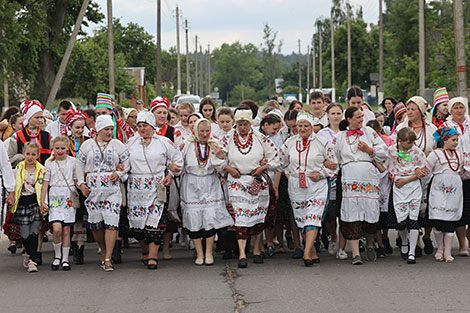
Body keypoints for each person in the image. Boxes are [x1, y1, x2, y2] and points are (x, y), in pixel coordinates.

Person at [214, 108, 280, 268]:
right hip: (237, 181)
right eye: (240, 124)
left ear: (250, 123)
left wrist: (263, 168)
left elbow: (276, 157)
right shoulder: (228, 138)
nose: (242, 127)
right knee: (241, 217)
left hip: (256, 180)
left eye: (245, 124)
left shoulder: (260, 138)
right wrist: (228, 168)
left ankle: (257, 249)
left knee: (257, 216)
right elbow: (215, 157)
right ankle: (242, 253)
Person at [126, 112, 183, 270]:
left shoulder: (164, 142)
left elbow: (178, 160)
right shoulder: (131, 143)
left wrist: (171, 173)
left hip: (157, 186)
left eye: (145, 126)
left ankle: (152, 256)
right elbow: (124, 162)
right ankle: (144, 250)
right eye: (139, 126)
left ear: (152, 126)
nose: (142, 129)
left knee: (156, 222)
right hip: (136, 188)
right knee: (138, 226)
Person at [280, 112, 337, 266]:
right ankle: (311, 252)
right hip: (297, 184)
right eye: (300, 125)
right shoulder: (290, 143)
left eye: (306, 125)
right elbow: (281, 161)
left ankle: (306, 253)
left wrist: (322, 173)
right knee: (302, 218)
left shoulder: (322, 142)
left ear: (312, 127)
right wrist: (288, 173)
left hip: (316, 184)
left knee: (313, 216)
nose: (303, 128)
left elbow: (334, 165)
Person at [76, 115, 130, 272]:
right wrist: (81, 183)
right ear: (99, 129)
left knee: (112, 221)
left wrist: (119, 174)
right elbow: (79, 165)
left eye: (112, 129)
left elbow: (127, 163)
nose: (109, 132)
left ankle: (107, 259)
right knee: (96, 224)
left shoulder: (117, 144)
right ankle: (104, 250)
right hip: (94, 189)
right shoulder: (88, 145)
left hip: (112, 189)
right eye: (106, 129)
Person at [334, 107, 387, 265]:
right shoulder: (340, 136)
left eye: (362, 117)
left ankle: (370, 244)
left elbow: (383, 150)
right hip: (350, 177)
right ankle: (356, 253)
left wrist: (369, 150)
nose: (361, 120)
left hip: (368, 177)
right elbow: (335, 156)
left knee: (369, 211)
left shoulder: (370, 132)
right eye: (358, 117)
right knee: (352, 212)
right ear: (349, 119)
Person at [180, 118, 233, 265]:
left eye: (207, 131)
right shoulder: (187, 144)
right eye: (201, 131)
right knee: (194, 217)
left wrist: (221, 155)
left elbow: (224, 162)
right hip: (191, 183)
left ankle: (209, 252)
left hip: (210, 182)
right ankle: (199, 253)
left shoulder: (215, 143)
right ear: (196, 131)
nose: (204, 134)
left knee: (210, 216)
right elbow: (179, 162)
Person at [392, 96, 437, 255]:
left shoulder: (431, 129)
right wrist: (412, 163)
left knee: (426, 207)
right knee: (409, 210)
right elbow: (395, 152)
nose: (409, 112)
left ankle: (427, 235)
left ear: (421, 111)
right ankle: (413, 243)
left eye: (412, 109)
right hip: (408, 176)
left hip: (426, 172)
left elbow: (437, 148)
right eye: (408, 109)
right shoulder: (401, 128)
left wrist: (423, 164)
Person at [384, 127, 426, 264]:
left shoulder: (417, 152)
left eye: (413, 142)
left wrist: (407, 179)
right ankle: (404, 242)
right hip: (398, 186)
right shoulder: (391, 151)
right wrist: (395, 178)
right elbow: (389, 167)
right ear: (400, 141)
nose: (411, 146)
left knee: (413, 219)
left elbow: (420, 171)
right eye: (408, 143)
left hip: (412, 185)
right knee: (401, 219)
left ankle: (412, 252)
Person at [40, 136, 78, 271]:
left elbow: (76, 179)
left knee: (66, 229)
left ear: (68, 148)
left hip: (68, 195)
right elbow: (45, 183)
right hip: (55, 195)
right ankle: (57, 256)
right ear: (53, 149)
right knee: (56, 228)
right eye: (57, 148)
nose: (60, 151)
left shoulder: (73, 162)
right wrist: (43, 201)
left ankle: (65, 259)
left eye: (63, 148)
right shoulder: (49, 162)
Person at [427, 127, 463, 263]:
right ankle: (440, 249)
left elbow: (462, 170)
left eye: (457, 140)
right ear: (444, 140)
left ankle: (447, 251)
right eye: (453, 140)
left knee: (450, 220)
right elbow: (427, 170)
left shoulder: (459, 155)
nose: (455, 143)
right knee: (438, 219)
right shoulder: (435, 154)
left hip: (454, 189)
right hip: (439, 189)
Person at [11, 142, 46, 272]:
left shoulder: (41, 169)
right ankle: (28, 254)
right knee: (25, 233)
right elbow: (13, 186)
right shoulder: (18, 169)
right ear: (23, 154)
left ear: (37, 155)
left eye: (33, 154)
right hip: (22, 203)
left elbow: (43, 188)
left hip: (35, 202)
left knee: (35, 232)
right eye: (28, 154)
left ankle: (32, 259)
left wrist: (43, 202)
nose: (30, 157)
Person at [442, 97, 470, 256]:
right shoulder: (446, 126)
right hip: (455, 171)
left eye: (461, 107)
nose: (459, 110)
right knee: (459, 210)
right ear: (451, 110)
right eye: (455, 107)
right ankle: (462, 245)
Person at [318, 103, 346, 258]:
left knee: (343, 211)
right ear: (327, 115)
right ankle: (332, 237)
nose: (336, 116)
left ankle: (342, 245)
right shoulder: (322, 134)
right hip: (328, 177)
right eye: (333, 113)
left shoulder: (347, 132)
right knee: (330, 212)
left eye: (338, 113)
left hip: (345, 176)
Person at [65, 108, 89, 264]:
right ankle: (71, 244)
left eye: (82, 127)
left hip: (83, 184)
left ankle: (80, 247)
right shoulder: (63, 142)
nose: (80, 130)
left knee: (81, 216)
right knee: (69, 216)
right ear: (70, 127)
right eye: (77, 127)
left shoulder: (88, 141)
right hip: (67, 184)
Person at [9, 100, 52, 165]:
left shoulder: (48, 136)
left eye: (41, 117)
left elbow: (53, 156)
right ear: (29, 118)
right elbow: (10, 158)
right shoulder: (16, 136)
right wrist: (24, 157)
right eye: (37, 117)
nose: (40, 120)